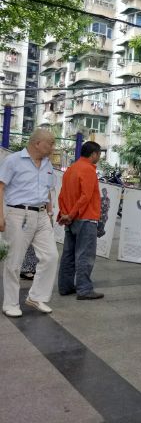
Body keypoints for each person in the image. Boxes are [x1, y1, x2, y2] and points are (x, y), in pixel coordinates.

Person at [0, 129, 59, 318]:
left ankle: (36, 297)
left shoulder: (48, 164)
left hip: (41, 214)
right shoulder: (13, 160)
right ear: (37, 143)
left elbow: (48, 190)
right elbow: (0, 187)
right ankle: (10, 303)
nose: (53, 147)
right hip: (17, 213)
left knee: (50, 256)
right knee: (14, 261)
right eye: (50, 143)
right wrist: (0, 215)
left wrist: (49, 212)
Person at [57, 141, 104, 300]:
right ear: (94, 154)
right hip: (85, 218)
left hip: (71, 219)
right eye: (99, 154)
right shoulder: (88, 170)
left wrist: (66, 214)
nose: (99, 157)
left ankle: (65, 286)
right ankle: (84, 289)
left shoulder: (71, 169)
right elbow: (86, 196)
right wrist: (71, 214)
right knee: (85, 255)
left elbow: (62, 195)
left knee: (68, 254)